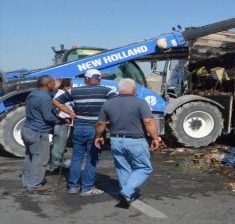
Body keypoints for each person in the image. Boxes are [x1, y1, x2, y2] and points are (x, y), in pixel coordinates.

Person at [95, 78, 163, 208]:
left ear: (120, 89)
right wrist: (155, 138)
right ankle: (126, 192)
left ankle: (127, 196)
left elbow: (100, 123)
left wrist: (98, 136)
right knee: (144, 168)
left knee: (122, 168)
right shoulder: (140, 103)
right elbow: (148, 121)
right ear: (134, 90)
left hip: (115, 140)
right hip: (135, 140)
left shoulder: (108, 103)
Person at [53, 69, 116, 196]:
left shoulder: (74, 91)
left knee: (77, 158)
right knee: (91, 159)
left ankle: (72, 186)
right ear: (100, 79)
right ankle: (87, 188)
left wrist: (70, 112)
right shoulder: (107, 91)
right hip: (96, 129)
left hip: (79, 127)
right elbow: (116, 103)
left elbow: (56, 101)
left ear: (86, 79)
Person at [21, 75, 75, 192]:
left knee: (30, 157)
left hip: (27, 129)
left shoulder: (32, 94)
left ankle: (27, 181)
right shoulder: (44, 97)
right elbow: (48, 117)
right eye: (53, 83)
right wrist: (63, 120)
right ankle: (35, 185)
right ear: (49, 84)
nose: (55, 85)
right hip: (38, 132)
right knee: (41, 159)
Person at [49, 78, 73, 172]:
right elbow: (59, 110)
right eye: (71, 86)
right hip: (62, 122)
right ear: (66, 87)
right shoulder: (61, 95)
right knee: (59, 145)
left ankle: (57, 163)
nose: (72, 87)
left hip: (64, 122)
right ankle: (56, 166)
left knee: (59, 144)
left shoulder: (60, 94)